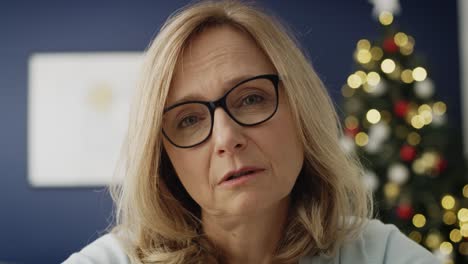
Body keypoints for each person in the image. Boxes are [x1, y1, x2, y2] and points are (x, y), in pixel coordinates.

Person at [64, 1, 440, 263]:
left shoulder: (379, 253)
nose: (227, 138)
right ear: (164, 159)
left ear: (301, 111)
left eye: (251, 99)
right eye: (189, 120)